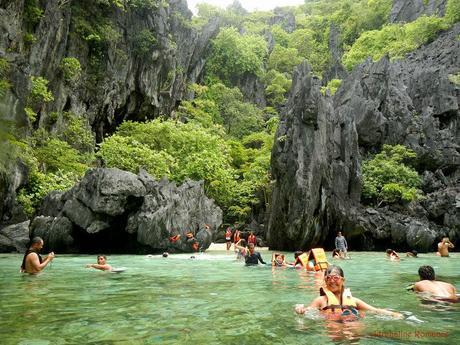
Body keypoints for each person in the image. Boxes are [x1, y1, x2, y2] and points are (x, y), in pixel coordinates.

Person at [295, 265, 402, 319]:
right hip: (334, 333)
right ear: (325, 281)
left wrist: (394, 314)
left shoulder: (354, 301)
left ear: (342, 280)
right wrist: (300, 309)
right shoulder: (320, 301)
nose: (332, 281)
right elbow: (307, 310)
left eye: (336, 278)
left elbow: (375, 310)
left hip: (354, 329)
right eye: (328, 278)